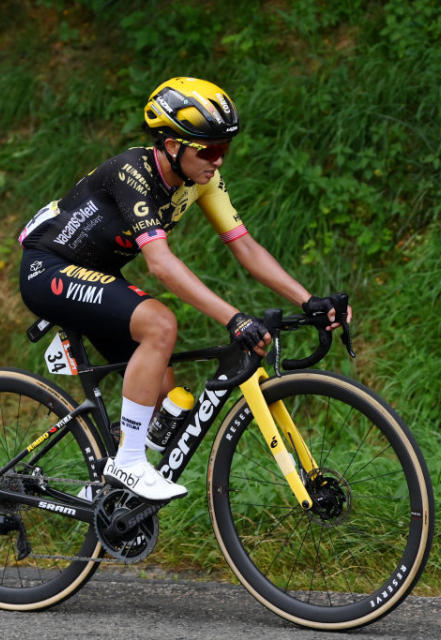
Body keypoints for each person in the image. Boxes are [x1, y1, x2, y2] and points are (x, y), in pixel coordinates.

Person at [18, 77, 350, 502]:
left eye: (224, 150)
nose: (218, 161)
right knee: (160, 324)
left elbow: (245, 246)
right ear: (173, 145)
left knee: (164, 393)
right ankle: (130, 464)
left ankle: (104, 492)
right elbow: (160, 263)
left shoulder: (201, 181)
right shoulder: (132, 173)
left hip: (98, 277)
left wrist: (308, 300)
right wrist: (232, 317)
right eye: (208, 150)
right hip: (49, 268)